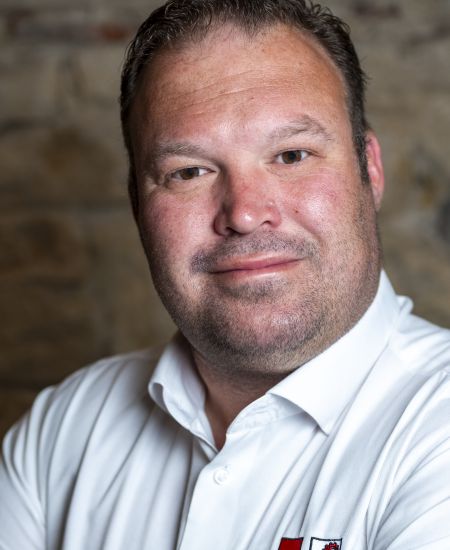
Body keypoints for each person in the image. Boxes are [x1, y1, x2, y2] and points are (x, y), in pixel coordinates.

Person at [1, 1, 449, 548]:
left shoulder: (437, 429)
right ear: (137, 205)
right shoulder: (62, 430)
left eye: (292, 155)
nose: (244, 212)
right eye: (189, 171)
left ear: (370, 169)